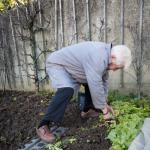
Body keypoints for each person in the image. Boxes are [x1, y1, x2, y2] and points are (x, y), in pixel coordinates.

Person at [36, 41, 132, 142]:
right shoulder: (98, 57)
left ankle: (87, 110)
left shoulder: (105, 55)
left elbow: (103, 82)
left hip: (73, 68)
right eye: (116, 67)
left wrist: (105, 103)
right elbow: (95, 84)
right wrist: (106, 112)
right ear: (113, 57)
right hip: (58, 65)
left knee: (91, 81)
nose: (115, 70)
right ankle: (43, 125)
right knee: (67, 89)